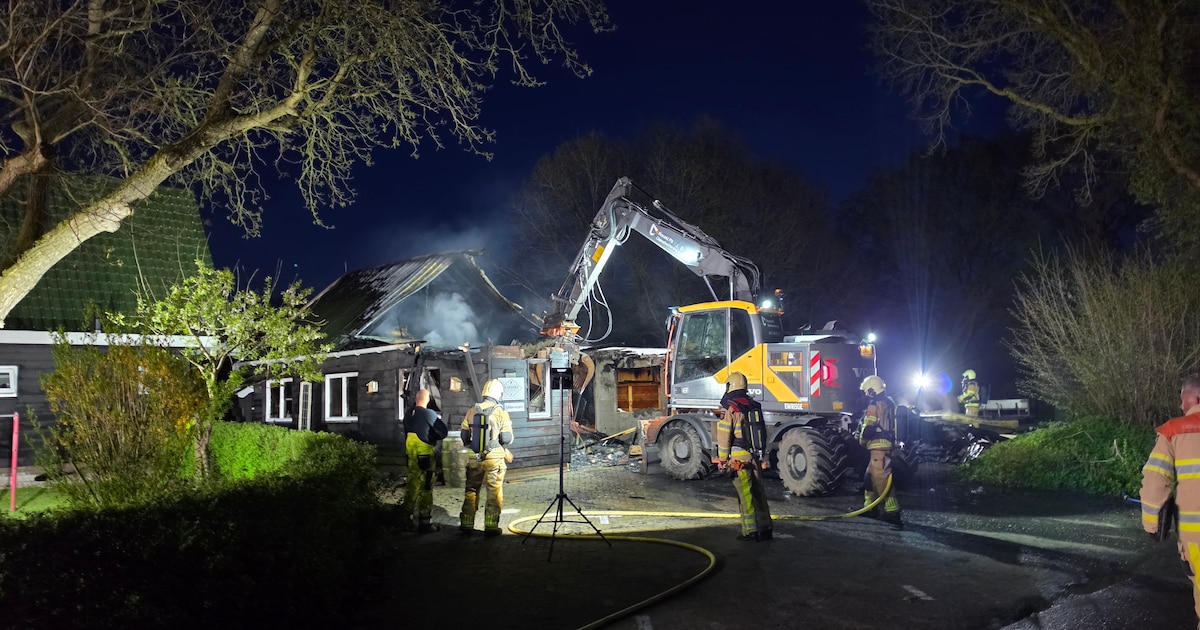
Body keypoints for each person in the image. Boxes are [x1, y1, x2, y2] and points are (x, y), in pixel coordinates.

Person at [1141, 374, 1200, 628]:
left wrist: (1153, 524)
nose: (1180, 406)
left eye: (1182, 399)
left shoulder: (1173, 430)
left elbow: (1155, 479)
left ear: (1195, 398)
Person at [713, 372, 772, 542]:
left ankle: (750, 531)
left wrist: (723, 460)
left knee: (745, 495)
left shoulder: (731, 407)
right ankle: (765, 528)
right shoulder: (753, 404)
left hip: (739, 459)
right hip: (754, 456)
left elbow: (724, 435)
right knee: (758, 494)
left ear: (730, 386)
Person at [459, 379, 514, 537]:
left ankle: (466, 523)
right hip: (494, 459)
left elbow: (464, 436)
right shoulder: (501, 412)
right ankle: (491, 526)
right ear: (499, 394)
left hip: (474, 459)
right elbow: (506, 437)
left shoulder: (471, 411)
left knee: (471, 490)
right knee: (493, 491)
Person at [859, 375, 902, 530]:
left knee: (881, 480)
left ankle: (892, 512)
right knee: (869, 478)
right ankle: (869, 508)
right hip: (886, 445)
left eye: (867, 391)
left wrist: (862, 440)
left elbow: (870, 427)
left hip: (878, 447)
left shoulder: (874, 405)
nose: (866, 394)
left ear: (872, 390)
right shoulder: (890, 403)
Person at [403, 389, 447, 533]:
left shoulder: (409, 414)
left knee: (412, 485)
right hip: (425, 457)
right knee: (426, 488)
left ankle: (405, 519)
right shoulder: (429, 414)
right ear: (428, 399)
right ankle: (425, 523)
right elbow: (442, 432)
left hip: (412, 455)